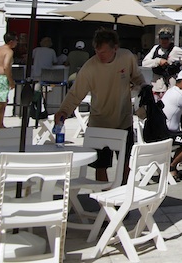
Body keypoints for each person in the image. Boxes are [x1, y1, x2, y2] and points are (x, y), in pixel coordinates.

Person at [55, 28, 146, 183]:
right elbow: (76, 93)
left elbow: (138, 77)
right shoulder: (90, 67)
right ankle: (103, 193)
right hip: (99, 123)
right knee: (101, 165)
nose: (99, 55)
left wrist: (142, 89)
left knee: (126, 162)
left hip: (123, 120)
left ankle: (124, 190)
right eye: (97, 51)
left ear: (115, 48)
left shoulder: (126, 57)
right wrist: (63, 111)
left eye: (103, 52)